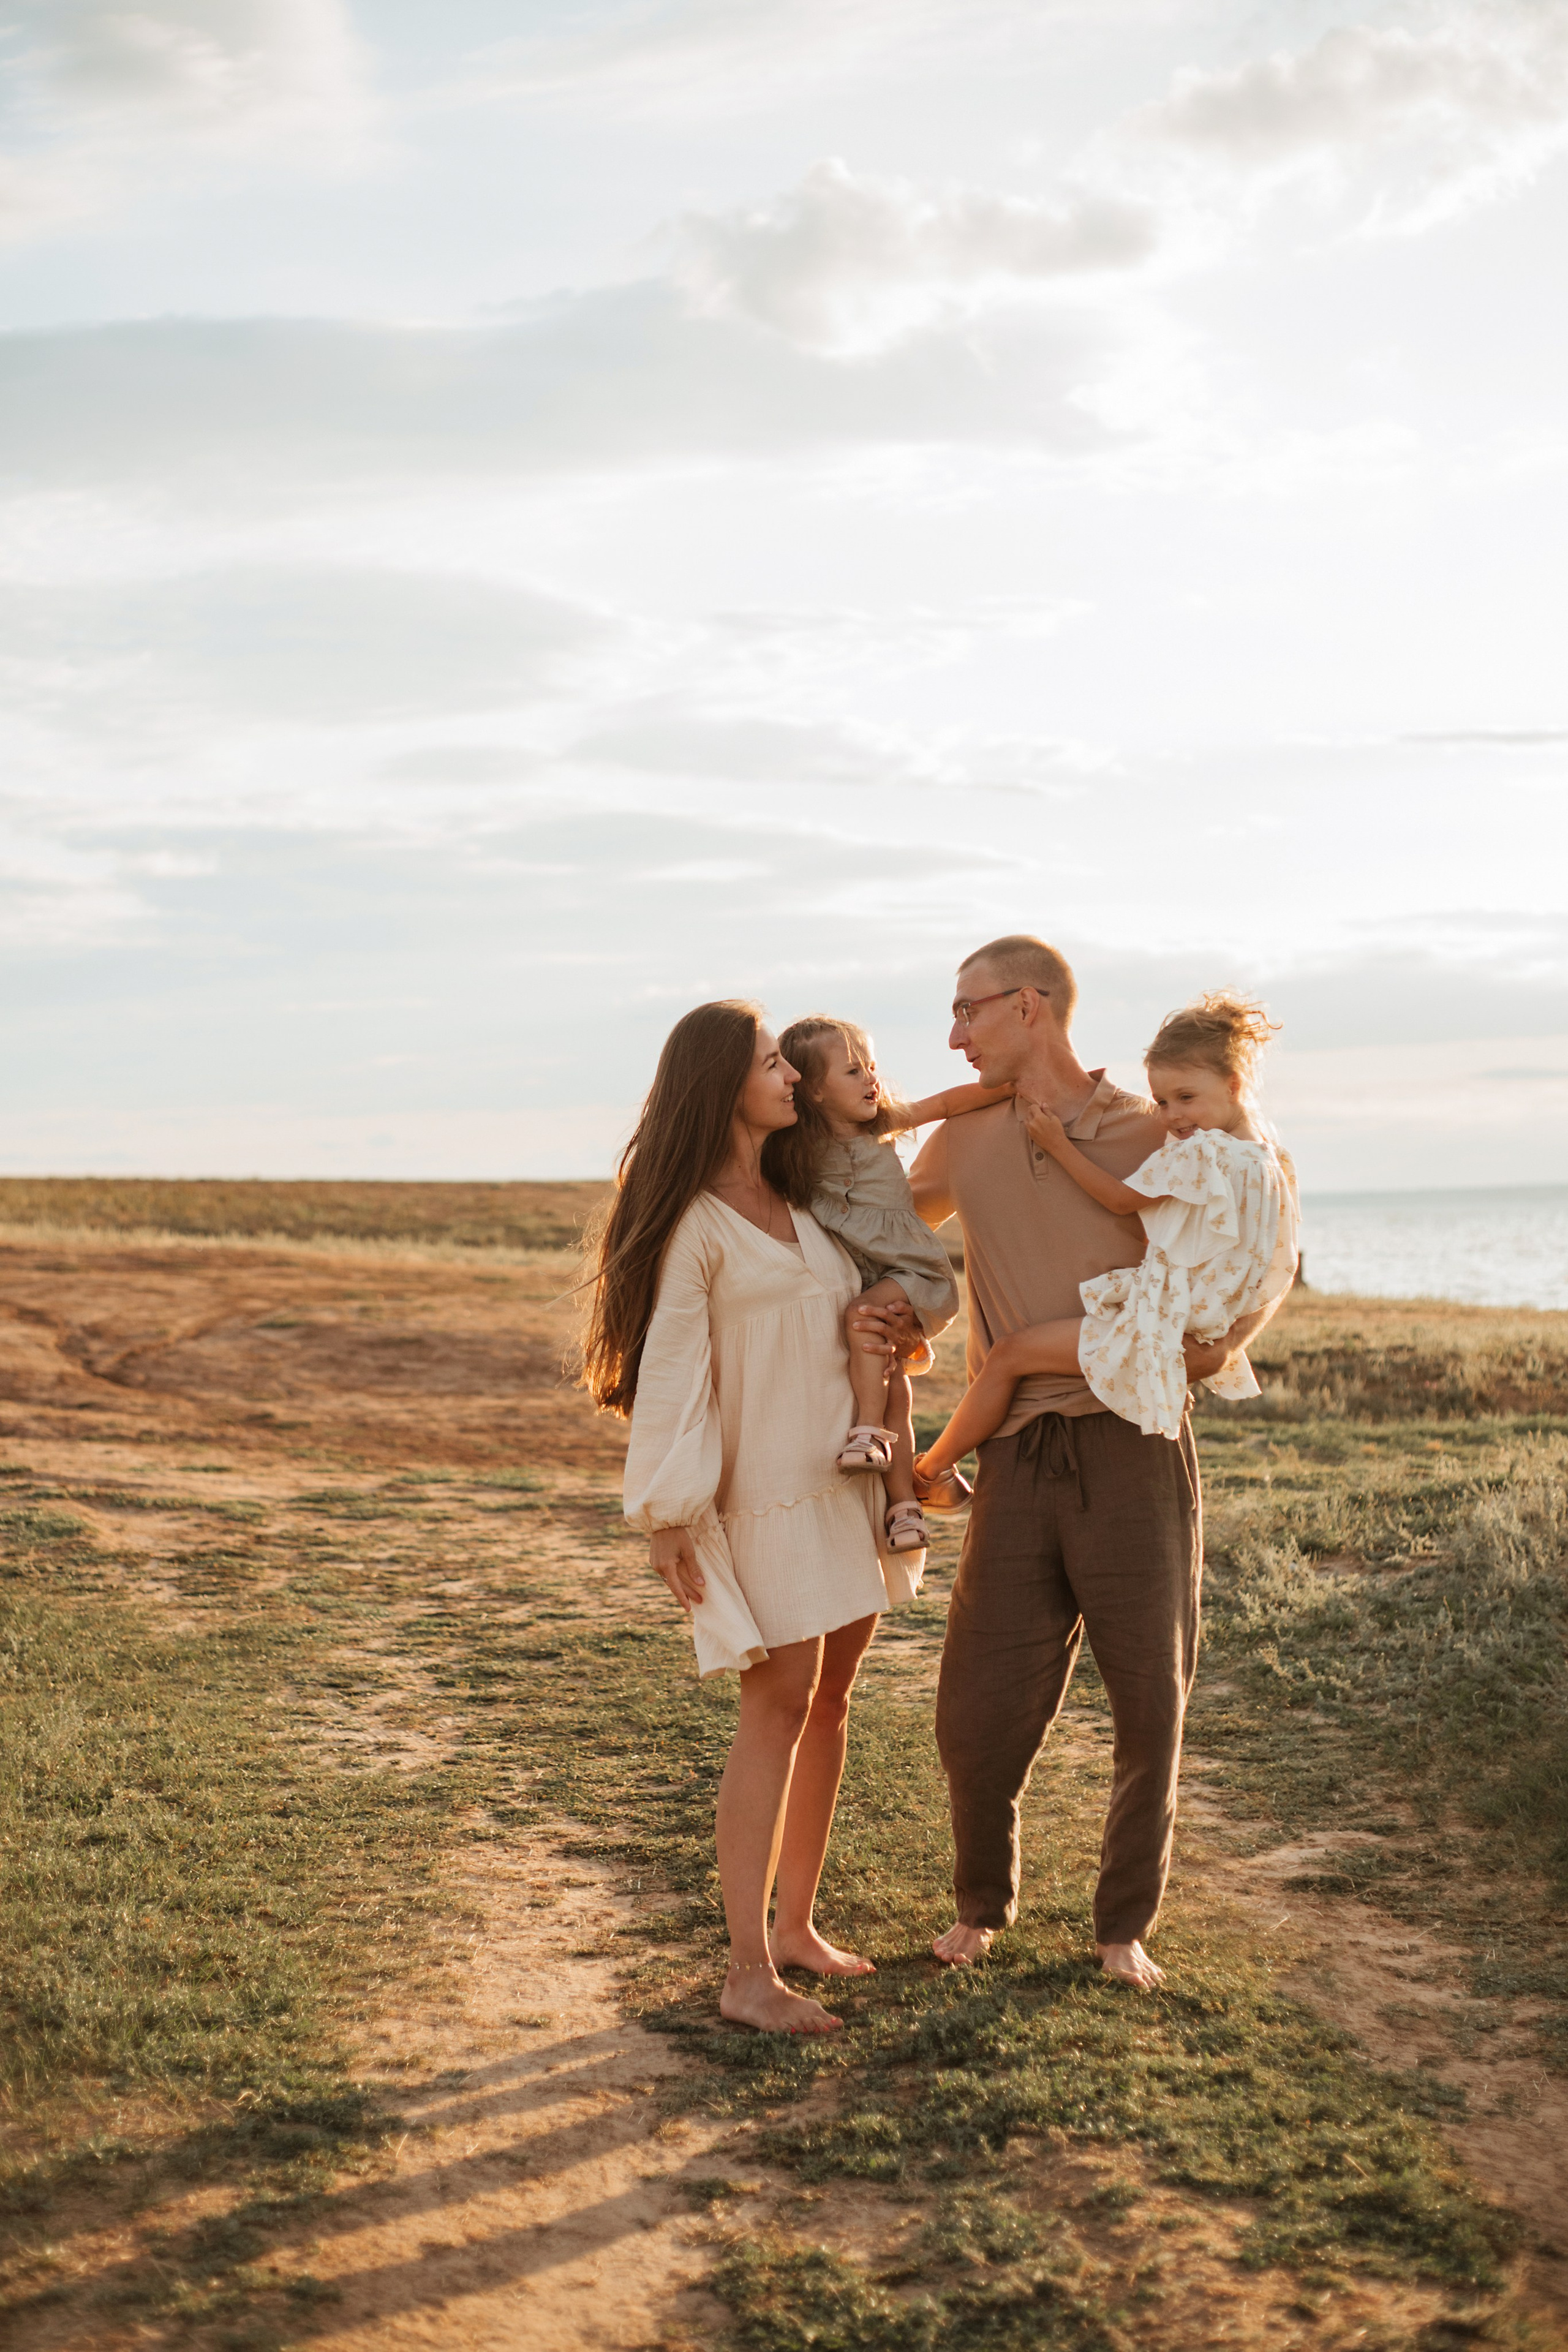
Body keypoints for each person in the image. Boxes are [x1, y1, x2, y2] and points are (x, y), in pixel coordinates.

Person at [880, 937, 1286, 1992]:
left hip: (1134, 1445)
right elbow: (885, 1228)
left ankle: (1123, 1929)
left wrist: (1226, 1345)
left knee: (1150, 1702)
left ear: (1029, 1006)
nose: (955, 1035)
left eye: (968, 1010)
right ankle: (981, 1905)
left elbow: (1261, 1242)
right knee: (977, 1709)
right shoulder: (965, 1132)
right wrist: (889, 1302)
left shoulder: (1157, 1128)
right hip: (1016, 1450)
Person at [583, 1000, 921, 2037]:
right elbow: (675, 1372)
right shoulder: (698, 1224)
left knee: (831, 1703)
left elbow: (873, 1291)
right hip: (763, 1494)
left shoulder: (806, 1196)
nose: (791, 1077)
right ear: (722, 1084)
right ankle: (745, 1973)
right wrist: (669, 1514)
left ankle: (796, 1927)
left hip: (846, 1482)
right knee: (776, 1709)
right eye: (774, 1063)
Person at [913, 992, 1298, 1479]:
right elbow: (1282, 1260)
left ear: (1233, 1085)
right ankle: (934, 1471)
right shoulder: (1270, 1160)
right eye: (1162, 1101)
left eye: (1186, 1098)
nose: (1172, 1117)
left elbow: (1119, 1200)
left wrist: (1057, 1145)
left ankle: (930, 1472)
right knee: (1014, 1358)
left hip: (1161, 1323)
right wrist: (1230, 1333)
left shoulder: (1199, 1153)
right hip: (1202, 1323)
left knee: (1009, 1355)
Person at [767, 1014, 1010, 1556]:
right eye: (854, 1071)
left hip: (911, 1271)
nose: (872, 1079)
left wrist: (1015, 1085)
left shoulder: (881, 1124)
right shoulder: (796, 1149)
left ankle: (868, 1432)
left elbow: (945, 1104)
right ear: (813, 1090)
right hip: (875, 1275)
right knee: (893, 1381)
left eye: (872, 1066)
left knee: (862, 1318)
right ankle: (905, 1509)